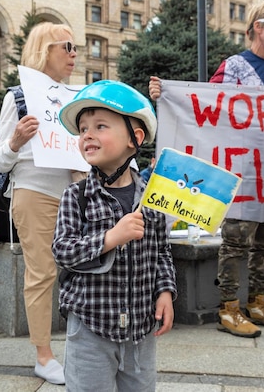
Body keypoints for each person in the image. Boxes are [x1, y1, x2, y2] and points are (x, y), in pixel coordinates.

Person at [149, 0, 264, 338]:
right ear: (257, 26)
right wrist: (165, 95)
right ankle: (228, 307)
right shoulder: (235, 67)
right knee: (236, 239)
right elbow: (205, 107)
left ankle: (258, 302)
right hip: (242, 169)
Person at [54, 80, 177, 391]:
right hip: (90, 329)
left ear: (134, 139)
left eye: (100, 126)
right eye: (83, 129)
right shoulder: (76, 196)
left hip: (140, 330)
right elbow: (63, 252)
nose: (88, 135)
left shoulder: (152, 198)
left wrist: (165, 292)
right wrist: (110, 238)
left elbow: (161, 250)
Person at [0, 22, 78, 385]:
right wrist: (14, 140)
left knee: (80, 270)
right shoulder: (18, 97)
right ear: (45, 50)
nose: (74, 54)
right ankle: (44, 354)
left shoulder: (76, 94)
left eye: (76, 48)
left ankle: (82, 346)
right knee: (42, 274)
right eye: (67, 47)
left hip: (75, 194)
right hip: (34, 193)